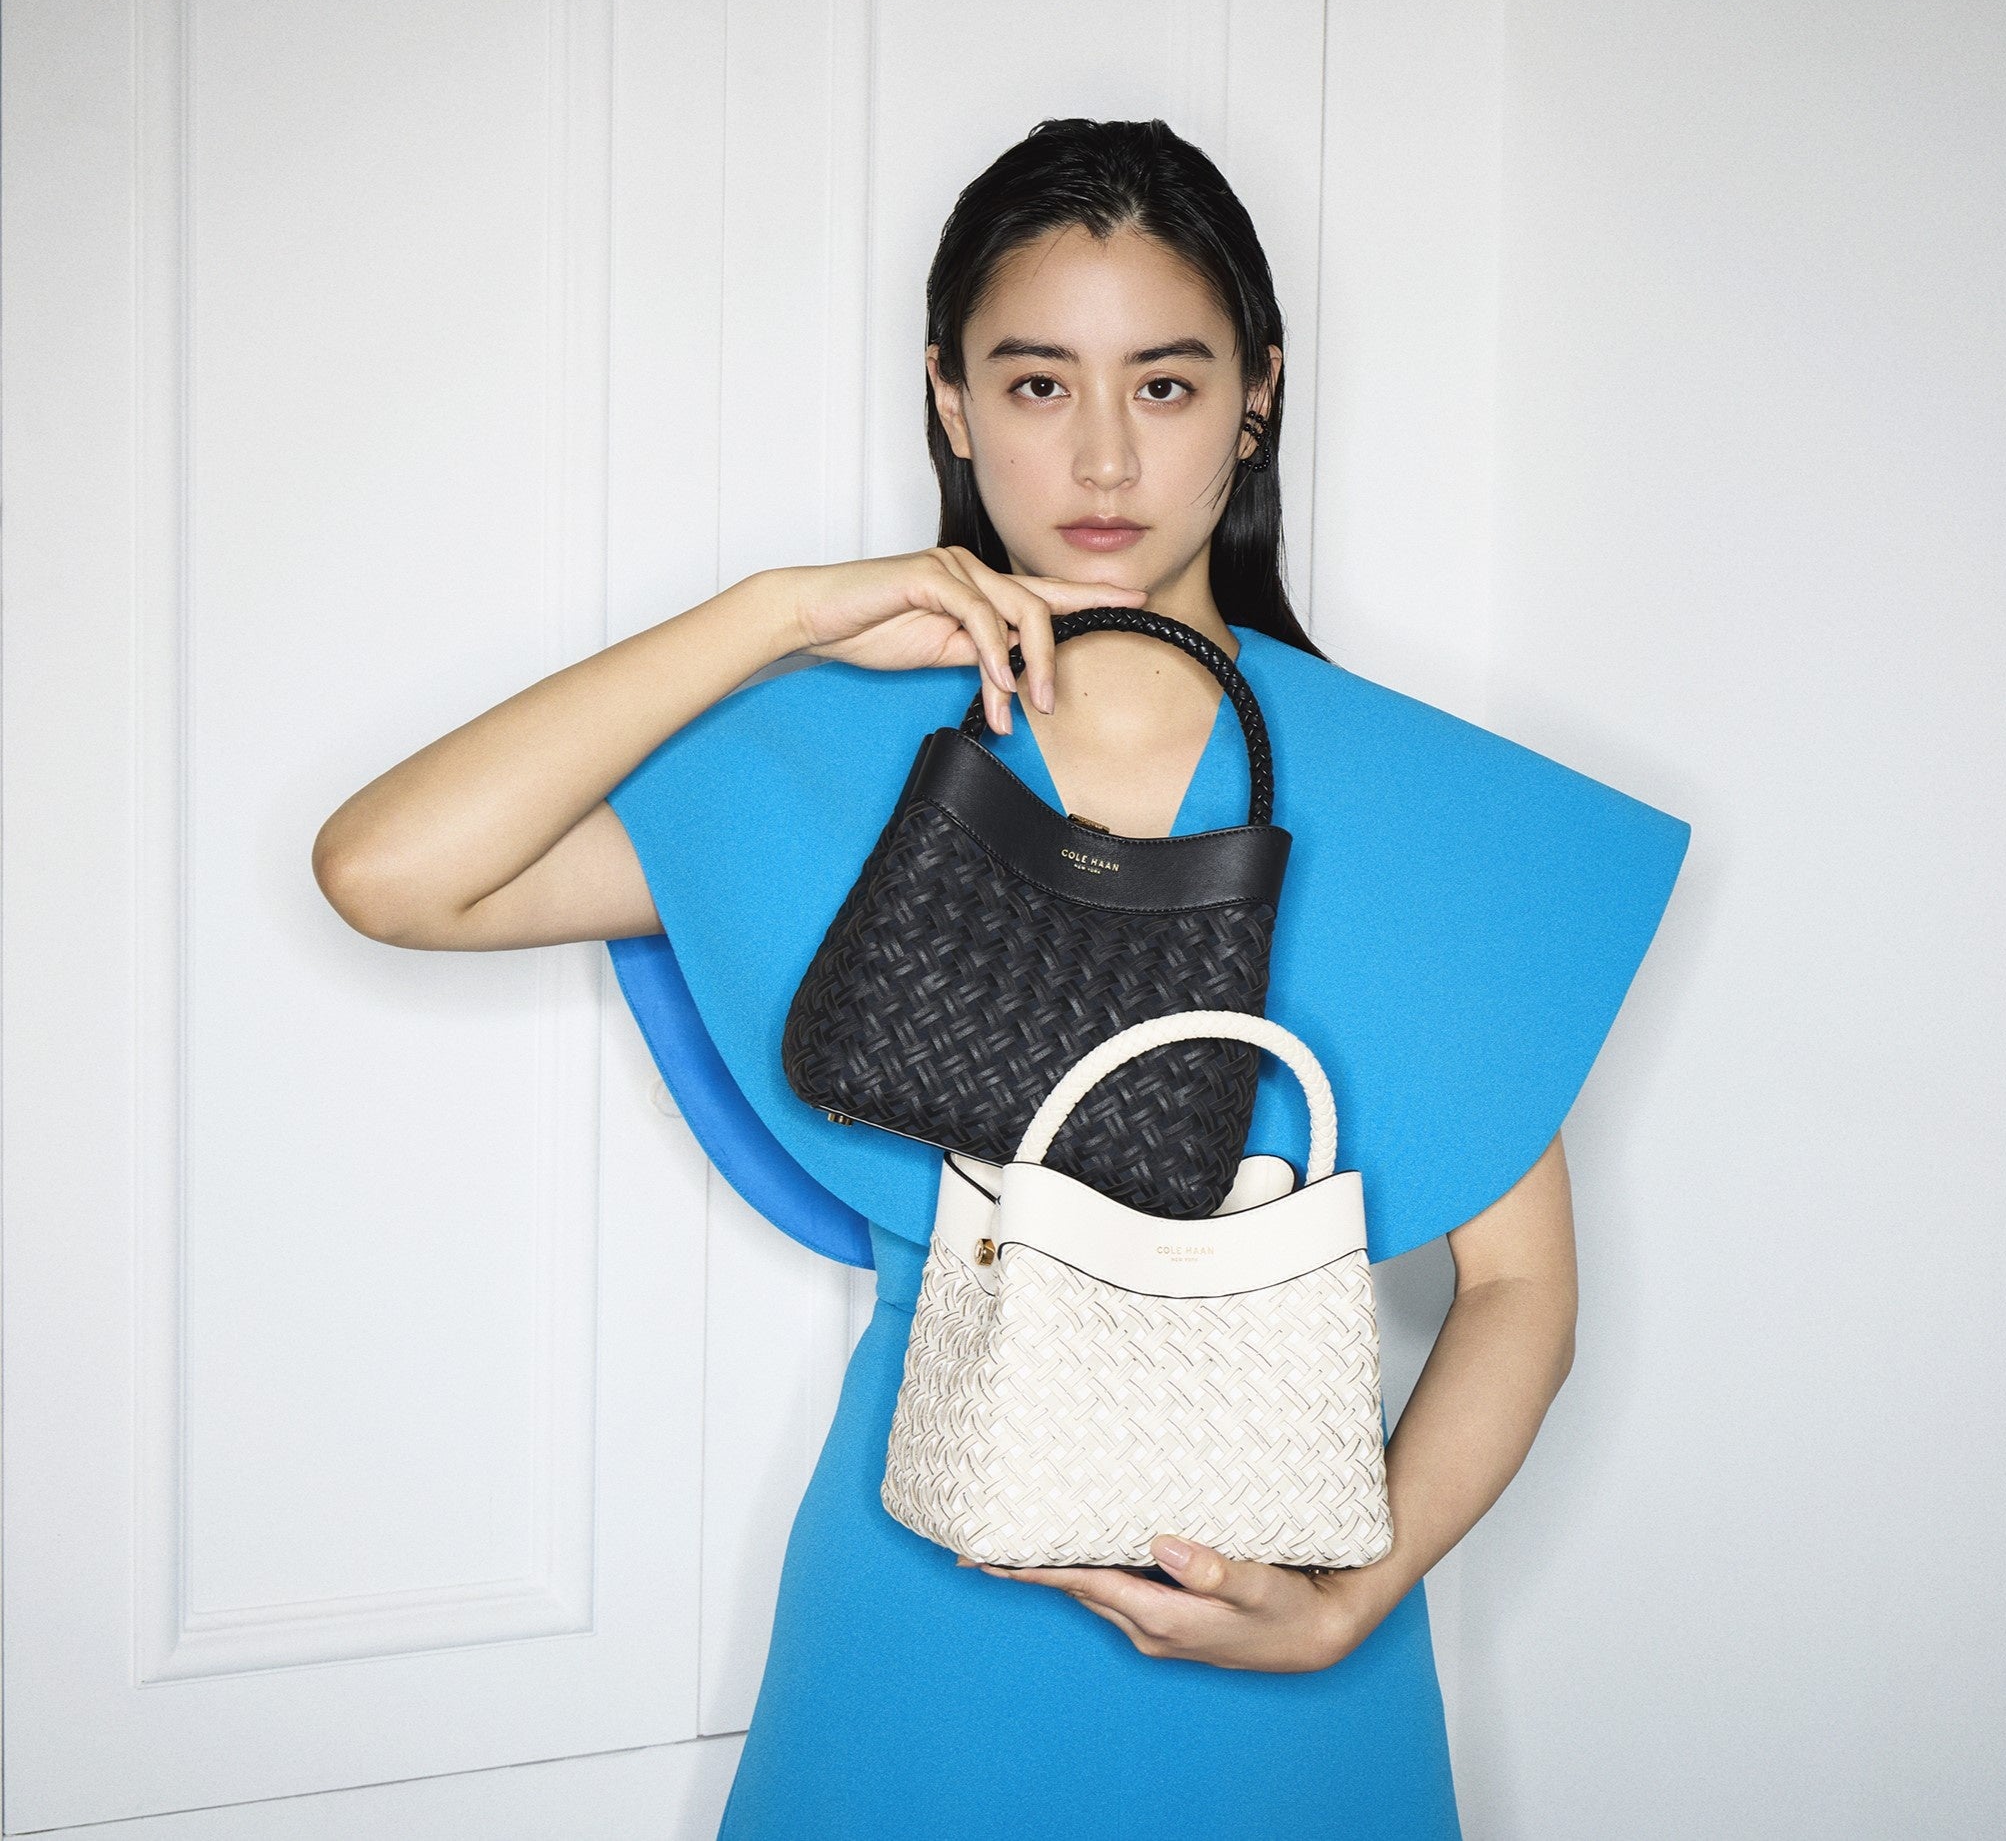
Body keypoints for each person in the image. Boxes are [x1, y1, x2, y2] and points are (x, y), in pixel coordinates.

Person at [314, 118, 1687, 1840]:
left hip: (1287, 1643)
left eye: (1166, 385)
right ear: (951, 403)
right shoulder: (834, 747)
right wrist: (778, 613)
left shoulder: (1423, 804)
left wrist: (1352, 1596)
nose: (1102, 455)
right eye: (1038, 385)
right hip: (921, 1614)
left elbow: (1523, 1288)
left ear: (1256, 397)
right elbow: (390, 871)